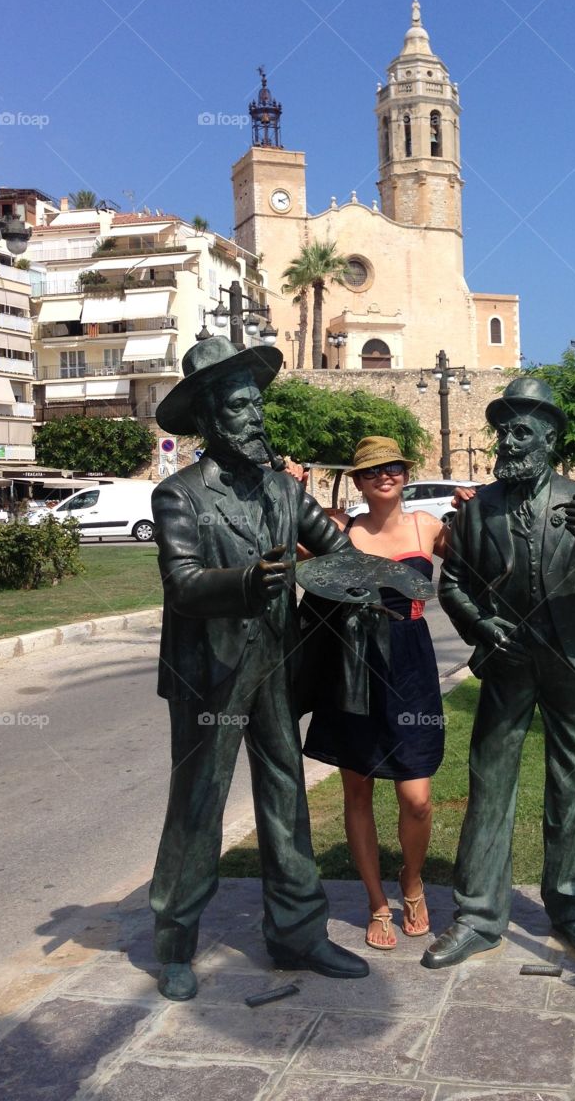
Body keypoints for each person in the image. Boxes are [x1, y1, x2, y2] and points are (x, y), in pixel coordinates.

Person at [149, 336, 369, 1000]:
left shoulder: (282, 489)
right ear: (211, 421)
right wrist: (248, 581)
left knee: (285, 794)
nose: (256, 419)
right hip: (206, 673)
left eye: (257, 406)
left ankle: (298, 932)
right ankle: (176, 941)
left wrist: (377, 582)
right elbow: (183, 583)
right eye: (241, 410)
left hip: (272, 664)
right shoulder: (178, 496)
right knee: (198, 803)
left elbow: (335, 551)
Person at [421, 377, 575, 969]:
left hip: (572, 663)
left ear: (549, 438)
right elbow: (453, 583)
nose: (509, 440)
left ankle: (573, 907)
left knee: (572, 789)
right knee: (489, 783)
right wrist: (478, 626)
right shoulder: (480, 509)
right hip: (507, 665)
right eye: (504, 430)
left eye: (522, 430)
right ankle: (478, 915)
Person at [302, 437, 449, 951]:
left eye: (392, 468)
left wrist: (483, 511)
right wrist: (294, 491)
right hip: (354, 667)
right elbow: (288, 551)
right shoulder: (342, 530)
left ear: (405, 474)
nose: (383, 476)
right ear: (359, 481)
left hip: (411, 665)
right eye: (371, 471)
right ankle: (376, 902)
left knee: (418, 798)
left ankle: (412, 884)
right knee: (357, 789)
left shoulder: (428, 527)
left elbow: (485, 558)